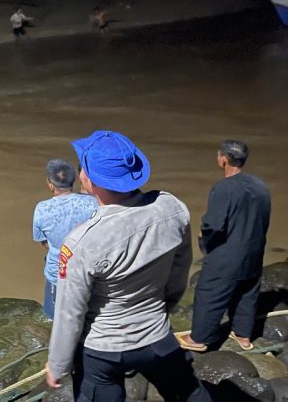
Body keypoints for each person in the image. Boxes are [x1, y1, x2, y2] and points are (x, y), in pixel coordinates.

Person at [46, 131, 210, 401]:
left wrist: (58, 364)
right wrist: (164, 307)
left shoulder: (81, 241)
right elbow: (180, 270)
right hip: (156, 334)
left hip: (103, 348)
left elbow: (70, 312)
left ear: (89, 179)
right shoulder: (172, 208)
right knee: (190, 393)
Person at [176, 140, 271, 353]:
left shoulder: (223, 188)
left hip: (229, 255)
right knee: (247, 291)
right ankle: (243, 336)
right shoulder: (260, 185)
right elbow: (264, 218)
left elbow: (213, 224)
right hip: (254, 252)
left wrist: (203, 236)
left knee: (209, 291)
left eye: (219, 155)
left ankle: (198, 338)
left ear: (224, 160)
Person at [32, 159, 97, 319]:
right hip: (86, 268)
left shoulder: (42, 208)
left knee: (54, 314)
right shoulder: (92, 203)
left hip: (58, 270)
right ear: (74, 181)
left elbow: (42, 241)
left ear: (50, 184)